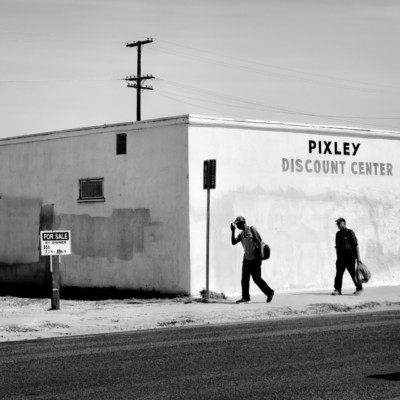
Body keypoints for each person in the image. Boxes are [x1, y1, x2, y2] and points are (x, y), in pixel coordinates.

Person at [231, 216, 274, 304]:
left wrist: (260, 256)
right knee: (244, 280)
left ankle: (269, 292)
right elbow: (233, 242)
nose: (237, 226)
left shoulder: (251, 229)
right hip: (246, 260)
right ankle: (246, 298)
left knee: (257, 279)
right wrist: (233, 231)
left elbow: (260, 242)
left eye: (238, 224)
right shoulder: (241, 234)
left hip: (255, 260)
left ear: (243, 223)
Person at [332, 217, 363, 296]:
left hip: (349, 257)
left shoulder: (350, 232)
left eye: (339, 223)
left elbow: (356, 246)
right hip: (340, 258)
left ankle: (359, 288)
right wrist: (337, 258)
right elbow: (337, 247)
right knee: (338, 274)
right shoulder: (338, 234)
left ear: (344, 223)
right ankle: (337, 290)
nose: (338, 225)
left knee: (353, 274)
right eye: (337, 224)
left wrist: (358, 258)